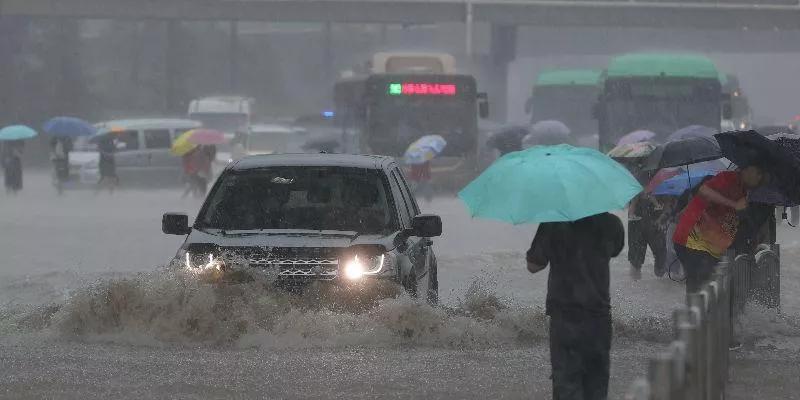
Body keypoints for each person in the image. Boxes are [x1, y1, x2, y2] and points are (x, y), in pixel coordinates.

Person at [526, 212, 625, 400]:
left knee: (566, 385)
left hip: (565, 319)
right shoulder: (612, 222)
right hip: (599, 318)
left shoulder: (553, 223)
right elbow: (615, 250)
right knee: (596, 385)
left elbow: (533, 265)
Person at [672, 164, 765, 294]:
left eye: (762, 176)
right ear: (747, 169)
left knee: (705, 286)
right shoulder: (729, 178)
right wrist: (734, 204)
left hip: (708, 246)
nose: (760, 178)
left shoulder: (744, 192)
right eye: (758, 173)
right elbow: (704, 190)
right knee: (701, 286)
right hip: (694, 240)